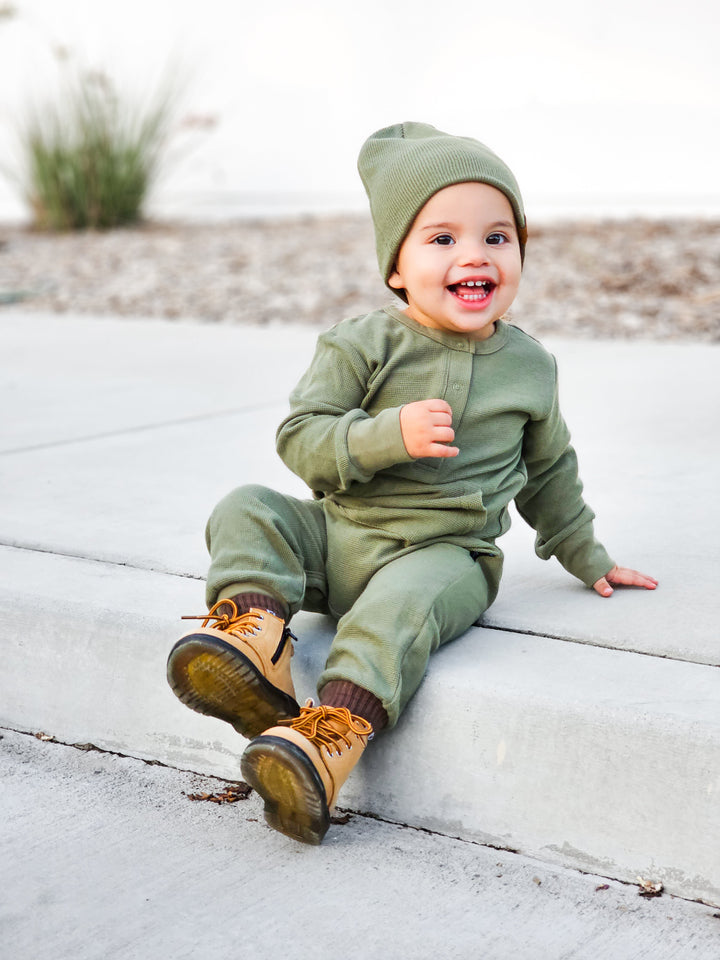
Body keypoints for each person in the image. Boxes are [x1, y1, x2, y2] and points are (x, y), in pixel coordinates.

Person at [167, 122, 657, 845]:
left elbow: (549, 470)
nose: (475, 255)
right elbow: (301, 440)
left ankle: (323, 746)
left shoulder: (529, 367)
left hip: (444, 555)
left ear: (520, 250)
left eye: (498, 237)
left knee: (399, 606)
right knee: (246, 508)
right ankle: (257, 647)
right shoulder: (361, 343)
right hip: (339, 535)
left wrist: (585, 553)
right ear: (395, 268)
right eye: (442, 239)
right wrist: (382, 435)